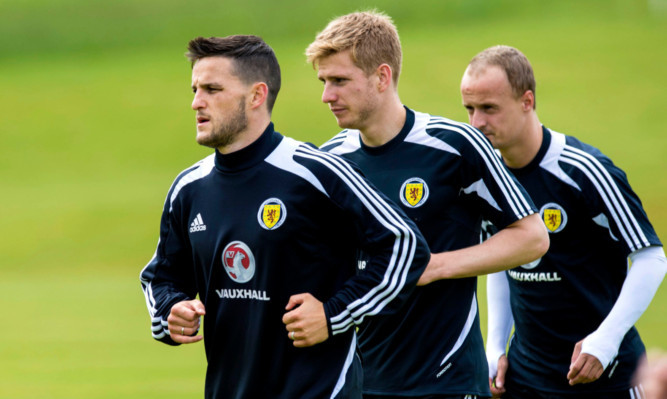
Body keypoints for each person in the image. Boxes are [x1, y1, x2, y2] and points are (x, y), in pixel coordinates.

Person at [139, 35, 431, 399]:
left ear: (257, 95)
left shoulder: (316, 173)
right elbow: (160, 276)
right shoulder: (189, 188)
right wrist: (171, 311)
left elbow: (405, 247)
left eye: (213, 89)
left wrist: (333, 314)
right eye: (196, 89)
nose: (196, 102)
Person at [307, 12, 549, 399]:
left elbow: (533, 237)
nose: (327, 96)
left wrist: (437, 266)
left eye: (339, 81)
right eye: (324, 82)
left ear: (382, 77)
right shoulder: (330, 162)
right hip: (361, 384)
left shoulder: (454, 146)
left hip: (449, 384)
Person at [460, 45, 667, 399]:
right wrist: (495, 348)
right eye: (470, 109)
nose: (477, 122)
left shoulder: (584, 171)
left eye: (489, 108)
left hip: (609, 377)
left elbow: (651, 258)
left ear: (527, 101)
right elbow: (500, 259)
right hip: (526, 380)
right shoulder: (485, 180)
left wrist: (606, 340)